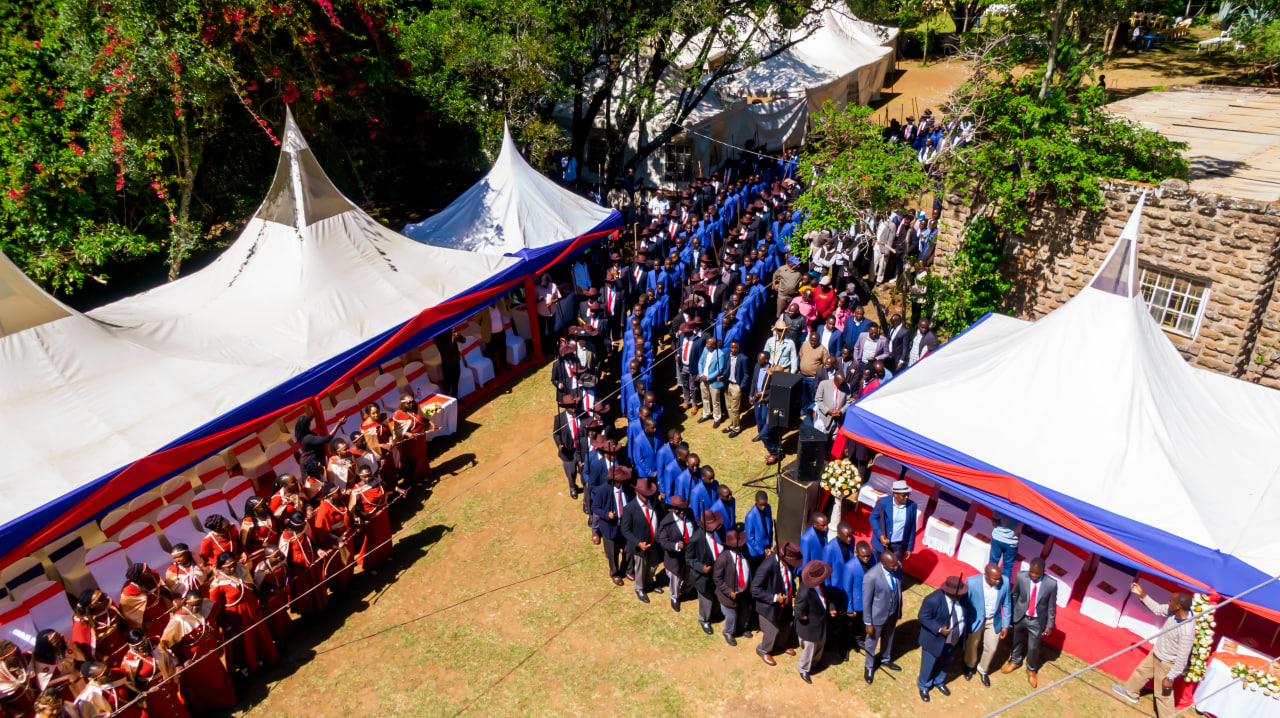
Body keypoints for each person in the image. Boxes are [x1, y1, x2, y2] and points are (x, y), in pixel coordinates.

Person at [1112, 585, 1196, 717]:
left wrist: (1170, 677)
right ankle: (1131, 693)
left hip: (1167, 664)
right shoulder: (1174, 611)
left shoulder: (1186, 631)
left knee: (1163, 695)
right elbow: (1157, 609)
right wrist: (1142, 593)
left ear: (1179, 606)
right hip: (1157, 653)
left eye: (1171, 601)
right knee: (1141, 672)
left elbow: (1182, 660)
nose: (1168, 603)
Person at [159, 591, 236, 713]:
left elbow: (216, 616)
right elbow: (169, 643)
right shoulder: (177, 621)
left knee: (218, 678)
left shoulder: (206, 606)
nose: (196, 608)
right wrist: (183, 660)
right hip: (194, 660)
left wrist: (226, 628)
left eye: (198, 604)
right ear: (186, 603)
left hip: (211, 653)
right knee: (203, 685)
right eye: (192, 605)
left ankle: (227, 702)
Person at [209, 552, 278, 676]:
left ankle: (263, 657)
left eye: (233, 565)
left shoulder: (242, 571)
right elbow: (215, 609)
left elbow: (253, 588)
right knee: (244, 642)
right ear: (220, 567)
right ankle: (247, 666)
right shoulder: (217, 585)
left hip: (252, 610)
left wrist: (262, 599)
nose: (232, 568)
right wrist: (228, 625)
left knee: (258, 634)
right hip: (237, 617)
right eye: (228, 567)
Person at [1005, 556, 1058, 687]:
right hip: (1020, 616)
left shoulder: (1051, 584)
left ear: (1043, 571)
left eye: (1037, 573)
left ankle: (1031, 669)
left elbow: (1052, 606)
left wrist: (1050, 624)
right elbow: (1015, 595)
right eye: (1032, 572)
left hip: (1036, 621)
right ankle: (1015, 661)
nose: (1034, 575)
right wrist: (1011, 614)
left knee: (1033, 647)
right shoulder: (1021, 577)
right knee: (1016, 641)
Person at [917, 575, 971, 702]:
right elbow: (923, 617)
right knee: (928, 665)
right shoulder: (933, 600)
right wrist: (939, 629)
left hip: (954, 639)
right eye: (958, 594)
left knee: (945, 662)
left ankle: (939, 681)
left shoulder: (963, 599)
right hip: (935, 641)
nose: (960, 596)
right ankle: (924, 685)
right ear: (949, 592)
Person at [751, 541, 802, 666]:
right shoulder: (767, 566)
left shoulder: (788, 564)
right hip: (770, 607)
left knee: (786, 625)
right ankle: (763, 650)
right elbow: (755, 589)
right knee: (771, 630)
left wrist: (793, 589)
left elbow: (789, 578)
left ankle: (781, 644)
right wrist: (774, 598)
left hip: (786, 603)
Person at [120, 629, 190, 718]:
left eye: (143, 643)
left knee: (176, 707)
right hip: (153, 694)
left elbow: (166, 654)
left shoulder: (155, 643)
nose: (141, 647)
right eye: (137, 646)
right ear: (130, 646)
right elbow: (130, 686)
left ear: (146, 638)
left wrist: (176, 665)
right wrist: (147, 689)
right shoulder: (129, 661)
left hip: (168, 683)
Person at [964, 563, 1011, 687]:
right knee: (972, 644)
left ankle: (983, 669)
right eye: (995, 579)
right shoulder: (972, 582)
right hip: (976, 620)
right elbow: (965, 604)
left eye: (999, 578)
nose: (998, 581)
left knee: (992, 647)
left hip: (993, 620)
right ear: (986, 576)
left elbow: (1007, 604)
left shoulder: (1005, 582)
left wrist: (1005, 625)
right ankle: (970, 665)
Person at [863, 551, 904, 684]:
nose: (896, 567)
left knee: (889, 637)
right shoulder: (871, 576)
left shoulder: (897, 568)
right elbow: (866, 602)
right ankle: (869, 667)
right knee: (871, 642)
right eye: (892, 566)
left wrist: (899, 609)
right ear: (883, 564)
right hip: (877, 617)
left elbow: (898, 590)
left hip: (892, 614)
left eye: (896, 564)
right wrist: (868, 622)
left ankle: (885, 658)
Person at [621, 478, 664, 603]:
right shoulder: (630, 508)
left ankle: (649, 582)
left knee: (653, 565)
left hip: (654, 543)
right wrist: (638, 543)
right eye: (643, 494)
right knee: (640, 568)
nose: (646, 496)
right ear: (636, 492)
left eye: (648, 494)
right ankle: (640, 588)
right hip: (639, 546)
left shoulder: (654, 503)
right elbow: (625, 530)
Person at [591, 466, 634, 586]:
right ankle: (615, 573)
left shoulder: (627, 488)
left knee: (628, 548)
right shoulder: (603, 490)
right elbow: (595, 507)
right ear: (615, 480)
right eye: (621, 480)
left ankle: (628, 569)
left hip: (625, 526)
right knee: (613, 553)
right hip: (610, 527)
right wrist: (606, 514)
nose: (624, 481)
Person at [279, 511, 328, 615]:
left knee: (316, 586)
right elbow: (285, 558)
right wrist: (299, 568)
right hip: (299, 571)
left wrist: (318, 550)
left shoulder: (305, 527)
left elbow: (311, 542)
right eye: (300, 526)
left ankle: (320, 607)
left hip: (311, 565)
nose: (303, 527)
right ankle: (308, 614)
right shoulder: (286, 536)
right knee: (305, 593)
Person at [794, 560, 835, 684]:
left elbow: (827, 597)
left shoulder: (820, 585)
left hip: (820, 624)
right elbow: (798, 609)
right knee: (809, 649)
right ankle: (804, 669)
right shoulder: (804, 591)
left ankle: (815, 662)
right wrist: (804, 617)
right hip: (809, 628)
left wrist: (831, 608)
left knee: (820, 644)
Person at [687, 510, 725, 636]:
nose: (713, 529)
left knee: (715, 595)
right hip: (703, 576)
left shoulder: (717, 533)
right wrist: (701, 567)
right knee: (706, 599)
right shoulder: (696, 539)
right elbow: (688, 559)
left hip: (716, 572)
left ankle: (714, 614)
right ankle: (704, 620)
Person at [713, 529, 754, 646]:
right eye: (737, 546)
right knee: (731, 615)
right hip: (728, 594)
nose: (740, 547)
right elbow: (717, 579)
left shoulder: (744, 554)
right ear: (730, 547)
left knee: (746, 611)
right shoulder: (722, 559)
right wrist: (729, 592)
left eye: (740, 545)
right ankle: (728, 632)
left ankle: (742, 627)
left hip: (744, 591)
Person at [656, 495, 695, 612]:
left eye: (684, 508)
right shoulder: (666, 523)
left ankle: (686, 590)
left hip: (689, 556)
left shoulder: (690, 514)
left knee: (692, 576)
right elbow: (663, 543)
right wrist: (676, 545)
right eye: (679, 509)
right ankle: (675, 598)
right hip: (674, 560)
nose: (682, 512)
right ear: (673, 509)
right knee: (675, 581)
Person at [70, 590, 128, 667]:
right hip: (105, 657)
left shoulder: (110, 606)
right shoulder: (82, 623)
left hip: (124, 647)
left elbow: (122, 622)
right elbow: (85, 649)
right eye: (100, 600)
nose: (106, 599)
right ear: (91, 606)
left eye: (103, 596)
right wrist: (101, 657)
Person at [350, 468, 392, 571]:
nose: (368, 478)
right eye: (365, 476)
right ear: (360, 477)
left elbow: (385, 488)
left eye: (369, 475)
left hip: (382, 515)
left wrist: (398, 489)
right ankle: (371, 564)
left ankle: (386, 554)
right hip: (370, 520)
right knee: (373, 541)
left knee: (385, 535)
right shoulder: (356, 491)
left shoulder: (376, 481)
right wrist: (361, 520)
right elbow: (353, 510)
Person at [391, 393, 435, 486]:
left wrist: (432, 423)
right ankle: (416, 479)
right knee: (415, 459)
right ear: (403, 404)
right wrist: (407, 433)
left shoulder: (416, 407)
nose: (411, 404)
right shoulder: (398, 415)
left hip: (420, 437)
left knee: (422, 456)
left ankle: (425, 475)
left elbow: (424, 417)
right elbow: (397, 430)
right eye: (408, 403)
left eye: (412, 402)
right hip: (411, 442)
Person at [253, 546, 294, 641]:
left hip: (280, 591)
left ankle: (288, 631)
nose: (279, 557)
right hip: (270, 598)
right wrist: (272, 590)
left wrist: (285, 584)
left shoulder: (281, 558)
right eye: (276, 556)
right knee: (275, 618)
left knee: (283, 612)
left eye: (279, 554)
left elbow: (287, 571)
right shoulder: (262, 568)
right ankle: (280, 639)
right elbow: (257, 587)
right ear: (268, 557)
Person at [869, 480, 917, 561]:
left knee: (893, 569)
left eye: (908, 494)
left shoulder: (912, 506)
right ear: (895, 494)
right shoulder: (883, 502)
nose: (907, 497)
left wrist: (909, 547)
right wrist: (880, 536)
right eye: (903, 495)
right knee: (873, 567)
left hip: (898, 546)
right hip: (880, 544)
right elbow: (872, 518)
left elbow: (912, 527)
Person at [71, 661, 139, 718]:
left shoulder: (118, 674)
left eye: (107, 669)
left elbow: (131, 689)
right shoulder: (90, 695)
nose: (110, 673)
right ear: (95, 678)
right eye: (105, 674)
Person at [749, 353, 782, 464]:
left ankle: (773, 448)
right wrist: (753, 395)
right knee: (759, 419)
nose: (758, 359)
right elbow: (754, 381)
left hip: (769, 406)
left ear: (766, 360)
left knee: (765, 423)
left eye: (760, 358)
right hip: (759, 399)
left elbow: (773, 391)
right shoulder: (757, 366)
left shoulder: (775, 375)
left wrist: (763, 394)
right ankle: (766, 440)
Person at [552, 394, 585, 499]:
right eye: (570, 406)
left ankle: (586, 488)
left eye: (574, 405)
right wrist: (559, 445)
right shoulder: (559, 419)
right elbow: (556, 434)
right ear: (565, 408)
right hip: (567, 451)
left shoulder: (581, 414)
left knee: (583, 471)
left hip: (580, 449)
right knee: (571, 473)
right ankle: (573, 488)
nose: (573, 408)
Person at [697, 336, 726, 428]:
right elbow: (700, 363)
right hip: (703, 379)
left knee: (715, 401)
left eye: (708, 344)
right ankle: (706, 414)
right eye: (706, 343)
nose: (706, 345)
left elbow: (720, 369)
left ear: (713, 345)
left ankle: (717, 418)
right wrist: (701, 374)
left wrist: (708, 377)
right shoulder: (705, 350)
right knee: (704, 398)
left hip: (713, 381)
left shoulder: (720, 354)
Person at [811, 371, 851, 437]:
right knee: (823, 439)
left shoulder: (847, 386)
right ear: (834, 380)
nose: (842, 387)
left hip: (838, 420)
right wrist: (828, 411)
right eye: (840, 385)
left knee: (834, 440)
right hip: (825, 418)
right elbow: (818, 400)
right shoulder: (823, 384)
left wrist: (841, 411)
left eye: (843, 384)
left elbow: (848, 402)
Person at [723, 339, 749, 437]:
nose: (734, 349)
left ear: (738, 348)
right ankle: (732, 424)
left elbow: (746, 374)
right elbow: (726, 369)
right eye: (732, 347)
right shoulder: (727, 356)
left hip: (736, 386)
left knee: (735, 409)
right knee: (729, 407)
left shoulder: (743, 358)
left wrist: (741, 387)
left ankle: (736, 428)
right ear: (730, 347)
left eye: (736, 348)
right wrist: (722, 376)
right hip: (727, 384)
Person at [742, 491, 773, 569]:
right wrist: (762, 551)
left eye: (765, 504)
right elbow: (750, 538)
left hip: (767, 548)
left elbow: (770, 527)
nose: (763, 507)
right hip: (755, 553)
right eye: (761, 505)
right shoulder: (750, 516)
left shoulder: (768, 508)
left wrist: (769, 545)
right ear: (755, 502)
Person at [990, 510, 1022, 584]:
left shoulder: (1002, 505)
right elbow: (1029, 527)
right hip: (1012, 542)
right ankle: (1004, 589)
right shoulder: (1024, 509)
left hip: (998, 538)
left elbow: (994, 523)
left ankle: (989, 584)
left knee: (993, 562)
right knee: (1008, 568)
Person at [436, 326, 466, 397]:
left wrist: (458, 335)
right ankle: (448, 399)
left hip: (456, 361)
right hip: (447, 363)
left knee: (455, 382)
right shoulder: (437, 336)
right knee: (447, 383)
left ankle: (455, 398)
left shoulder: (451, 331)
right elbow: (445, 350)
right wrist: (452, 341)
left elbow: (463, 340)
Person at [534, 273, 562, 345]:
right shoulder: (537, 288)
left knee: (551, 330)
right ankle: (543, 346)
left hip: (551, 313)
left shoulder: (554, 286)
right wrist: (538, 299)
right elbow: (532, 300)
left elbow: (559, 297)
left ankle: (552, 345)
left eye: (545, 284)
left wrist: (551, 302)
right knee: (541, 331)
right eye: (542, 284)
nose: (544, 286)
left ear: (548, 282)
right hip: (541, 313)